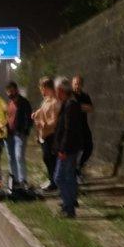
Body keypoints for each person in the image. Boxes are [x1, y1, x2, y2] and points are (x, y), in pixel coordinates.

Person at [51, 77, 83, 218]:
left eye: (57, 90)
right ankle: (68, 206)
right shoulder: (68, 104)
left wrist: (63, 149)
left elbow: (69, 130)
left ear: (60, 90)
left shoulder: (71, 105)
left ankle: (69, 206)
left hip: (68, 149)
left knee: (59, 177)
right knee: (68, 177)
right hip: (69, 148)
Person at [31, 76, 59, 192]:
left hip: (51, 134)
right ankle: (51, 179)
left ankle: (54, 182)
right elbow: (42, 111)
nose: (41, 91)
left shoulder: (55, 102)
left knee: (50, 158)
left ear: (46, 87)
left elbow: (54, 120)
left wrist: (44, 124)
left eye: (42, 88)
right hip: (44, 134)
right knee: (47, 158)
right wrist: (36, 114)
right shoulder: (46, 100)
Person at [5, 81, 33, 191]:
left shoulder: (24, 102)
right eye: (8, 91)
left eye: (11, 91)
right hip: (9, 135)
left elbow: (29, 119)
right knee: (11, 158)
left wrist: (25, 130)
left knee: (19, 156)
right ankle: (15, 180)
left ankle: (23, 180)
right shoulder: (10, 103)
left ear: (16, 90)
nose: (10, 93)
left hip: (19, 135)